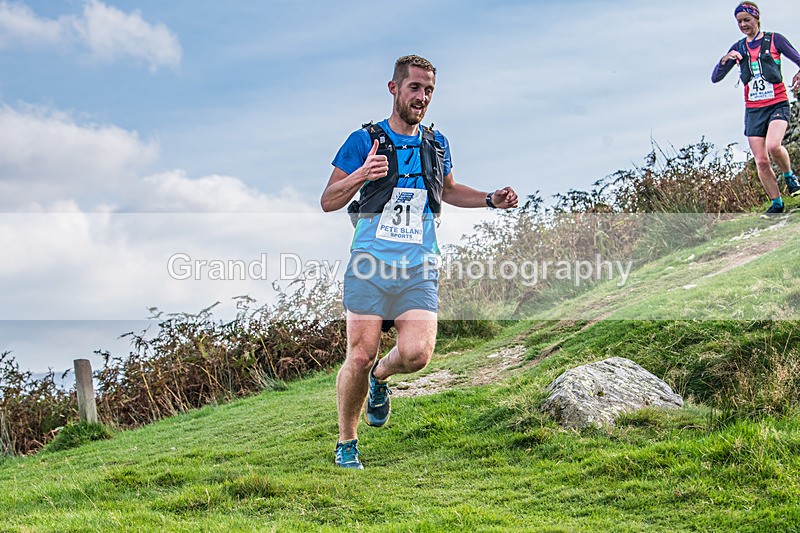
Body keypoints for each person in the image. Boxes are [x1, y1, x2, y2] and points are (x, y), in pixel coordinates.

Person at [320, 55, 518, 469]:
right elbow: (328, 200)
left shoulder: (436, 143)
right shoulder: (363, 140)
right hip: (369, 263)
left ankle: (380, 379)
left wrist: (488, 199)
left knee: (416, 355)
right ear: (394, 89)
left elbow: (446, 190)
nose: (422, 97)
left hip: (418, 266)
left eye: (429, 90)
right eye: (415, 88)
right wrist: (361, 175)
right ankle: (347, 444)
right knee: (360, 354)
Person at [712, 2, 800, 217]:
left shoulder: (774, 39)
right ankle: (777, 204)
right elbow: (715, 78)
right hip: (753, 110)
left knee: (773, 145)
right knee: (761, 160)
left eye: (747, 20)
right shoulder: (738, 47)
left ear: (757, 19)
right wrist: (724, 61)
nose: (743, 24)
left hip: (777, 103)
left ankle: (790, 177)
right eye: (739, 21)